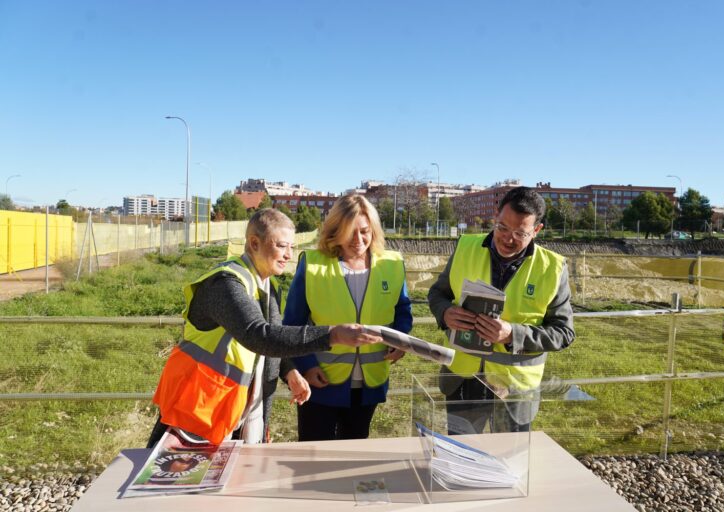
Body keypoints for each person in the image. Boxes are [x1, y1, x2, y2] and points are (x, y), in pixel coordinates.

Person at [148, 208, 381, 447]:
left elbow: (272, 339)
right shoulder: (225, 285)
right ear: (254, 243)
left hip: (234, 415)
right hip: (194, 415)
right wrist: (332, 334)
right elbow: (258, 335)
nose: (288, 255)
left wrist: (289, 371)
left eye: (292, 247)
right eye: (281, 246)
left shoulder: (267, 285)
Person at [427, 186, 575, 434]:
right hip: (463, 379)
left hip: (515, 389)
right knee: (463, 455)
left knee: (508, 462)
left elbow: (563, 333)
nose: (507, 238)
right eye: (502, 227)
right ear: (496, 217)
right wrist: (445, 313)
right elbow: (437, 294)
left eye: (520, 233)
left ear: (537, 230)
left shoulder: (553, 268)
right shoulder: (465, 247)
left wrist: (512, 335)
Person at [284, 194, 413, 441]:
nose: (357, 240)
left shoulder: (393, 264)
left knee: (353, 452)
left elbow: (402, 311)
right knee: (314, 454)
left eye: (364, 231)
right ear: (335, 231)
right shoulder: (312, 265)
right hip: (320, 382)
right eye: (349, 232)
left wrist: (401, 340)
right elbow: (292, 324)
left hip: (369, 383)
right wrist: (307, 366)